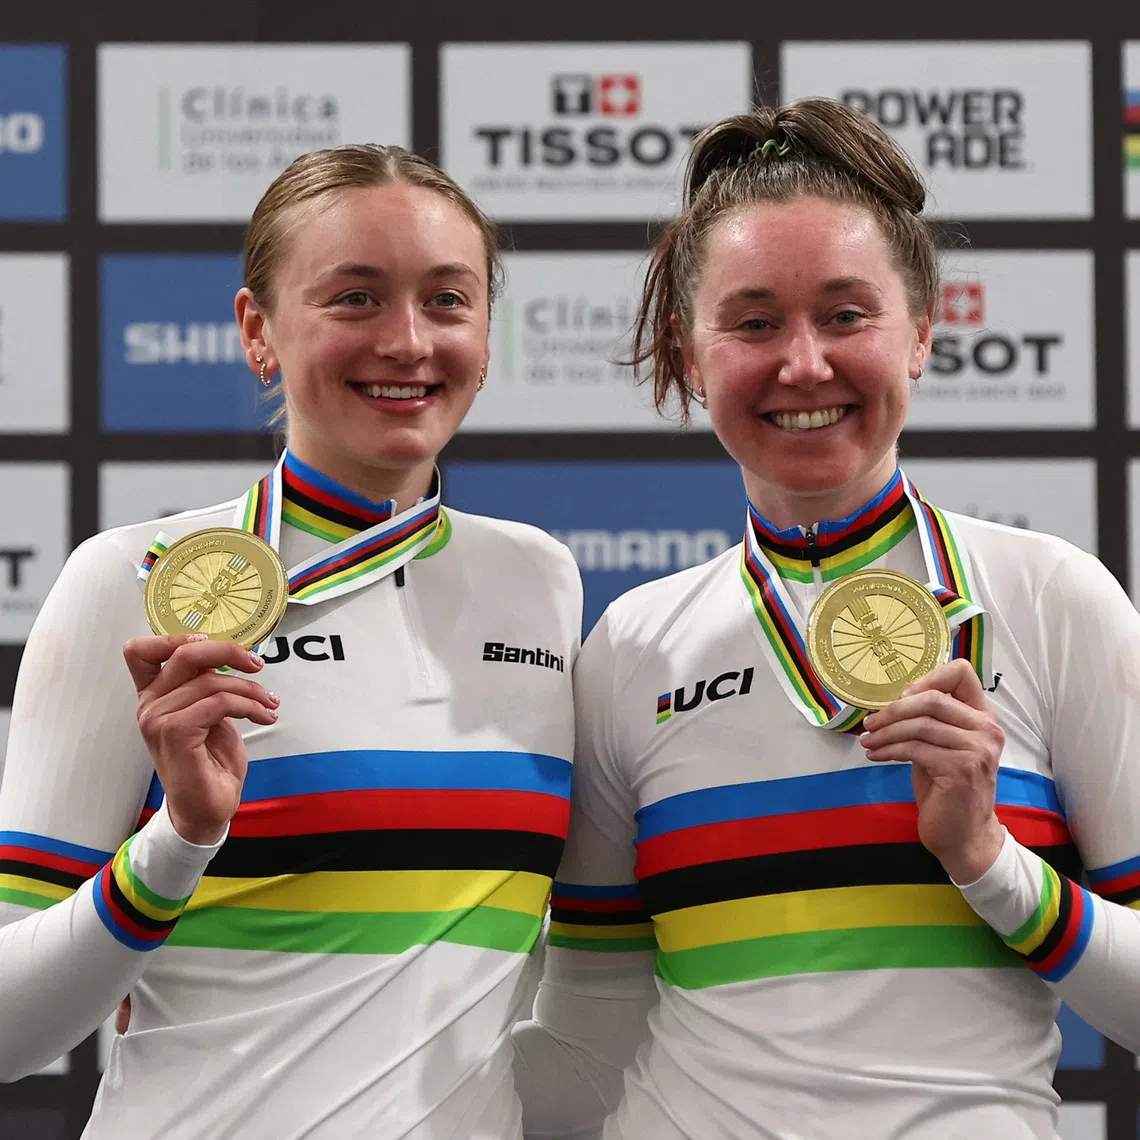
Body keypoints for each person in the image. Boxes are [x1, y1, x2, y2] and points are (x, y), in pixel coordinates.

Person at [511, 98, 1140, 1140]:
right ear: (692, 354)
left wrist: (991, 862)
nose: (803, 364)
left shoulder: (1052, 599)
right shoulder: (631, 647)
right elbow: (590, 1037)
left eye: (847, 316)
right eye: (754, 323)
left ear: (922, 333)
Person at [0, 144, 581, 1139]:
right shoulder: (133, 581)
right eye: (355, 298)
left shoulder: (539, 580)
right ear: (257, 331)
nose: (408, 341)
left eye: (447, 300)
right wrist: (177, 843)